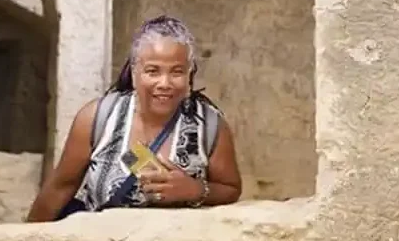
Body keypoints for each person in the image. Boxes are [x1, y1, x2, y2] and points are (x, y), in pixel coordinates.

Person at [27, 15, 242, 222]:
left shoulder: (210, 126)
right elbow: (60, 188)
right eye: (152, 71)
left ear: (189, 75)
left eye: (177, 72)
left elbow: (231, 189)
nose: (164, 83)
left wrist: (195, 190)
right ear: (134, 73)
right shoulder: (98, 118)